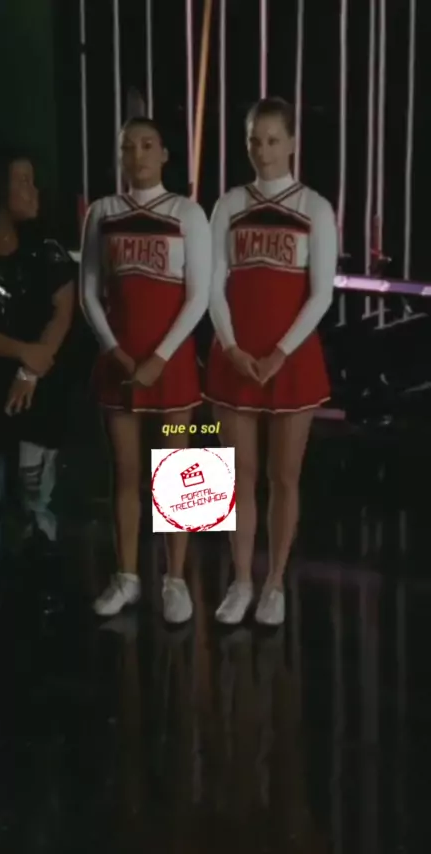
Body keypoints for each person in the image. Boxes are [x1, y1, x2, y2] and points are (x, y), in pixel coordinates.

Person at [205, 97, 338, 626]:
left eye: (273, 140)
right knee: (234, 475)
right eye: (254, 140)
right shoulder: (228, 205)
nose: (263, 150)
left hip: (292, 360)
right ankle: (240, 580)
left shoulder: (315, 208)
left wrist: (281, 353)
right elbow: (213, 285)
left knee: (284, 477)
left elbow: (321, 293)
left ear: (293, 143)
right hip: (234, 356)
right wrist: (231, 348)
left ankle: (275, 583)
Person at [80, 117, 212, 625]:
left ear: (165, 154)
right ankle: (127, 577)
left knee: (181, 473)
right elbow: (90, 292)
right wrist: (114, 350)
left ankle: (177, 579)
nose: (137, 155)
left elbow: (198, 295)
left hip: (172, 365)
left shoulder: (187, 212)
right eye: (127, 147)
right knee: (125, 473)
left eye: (147, 145)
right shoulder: (102, 212)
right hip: (119, 363)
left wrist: (161, 357)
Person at [0, 150, 75, 578]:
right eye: (23, 181)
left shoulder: (46, 250)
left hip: (38, 386)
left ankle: (42, 555)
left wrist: (30, 368)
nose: (33, 190)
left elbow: (64, 311)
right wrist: (20, 352)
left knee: (34, 481)